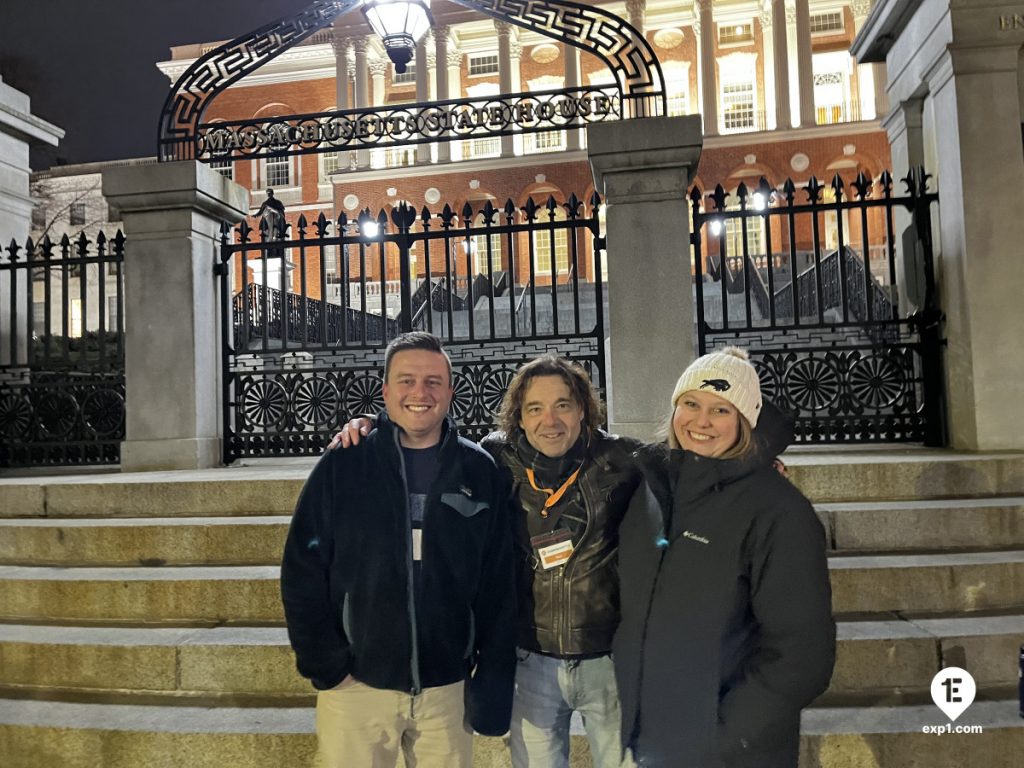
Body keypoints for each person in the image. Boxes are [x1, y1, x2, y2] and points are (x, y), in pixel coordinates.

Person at [333, 354, 641, 768]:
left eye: (563, 405)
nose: (549, 421)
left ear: (583, 409)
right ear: (519, 417)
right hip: (531, 659)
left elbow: (688, 456)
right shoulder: (497, 458)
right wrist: (375, 424)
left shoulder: (621, 460)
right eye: (535, 408)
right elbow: (431, 436)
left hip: (607, 660)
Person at [280, 331, 517, 768]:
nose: (419, 393)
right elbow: (302, 567)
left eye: (432, 381)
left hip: (447, 688)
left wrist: (490, 674)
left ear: (450, 390)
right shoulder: (344, 463)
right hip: (357, 685)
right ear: (386, 391)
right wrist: (326, 664)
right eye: (406, 381)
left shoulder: (479, 470)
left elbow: (499, 583)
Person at [613, 347, 835, 768]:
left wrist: (726, 736)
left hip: (729, 752)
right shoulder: (650, 489)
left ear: (744, 421)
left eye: (720, 409)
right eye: (690, 403)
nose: (701, 421)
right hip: (652, 739)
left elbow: (802, 654)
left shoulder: (778, 511)